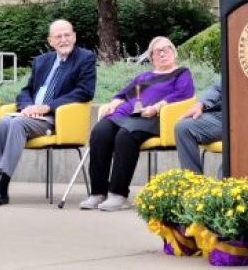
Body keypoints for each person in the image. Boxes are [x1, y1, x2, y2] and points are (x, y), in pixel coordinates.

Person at [0, 19, 96, 206]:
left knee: (16, 124)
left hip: (55, 118)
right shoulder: (42, 61)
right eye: (58, 36)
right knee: (4, 121)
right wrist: (28, 107)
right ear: (50, 41)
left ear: (74, 36)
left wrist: (47, 107)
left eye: (67, 35)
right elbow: (26, 90)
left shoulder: (84, 58)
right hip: (31, 114)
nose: (63, 40)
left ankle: (2, 187)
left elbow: (85, 91)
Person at [80, 36, 194, 211]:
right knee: (100, 132)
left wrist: (156, 108)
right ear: (152, 58)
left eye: (167, 49)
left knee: (125, 136)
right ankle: (98, 192)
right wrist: (111, 105)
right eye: (158, 51)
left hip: (154, 118)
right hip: (124, 115)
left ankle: (118, 195)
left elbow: (182, 95)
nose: (163, 53)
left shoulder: (181, 73)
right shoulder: (144, 76)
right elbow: (124, 95)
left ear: (174, 51)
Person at [174, 81, 223, 176]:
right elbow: (218, 88)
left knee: (244, 132)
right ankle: (194, 185)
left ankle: (225, 185)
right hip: (224, 115)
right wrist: (201, 104)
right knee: (183, 128)